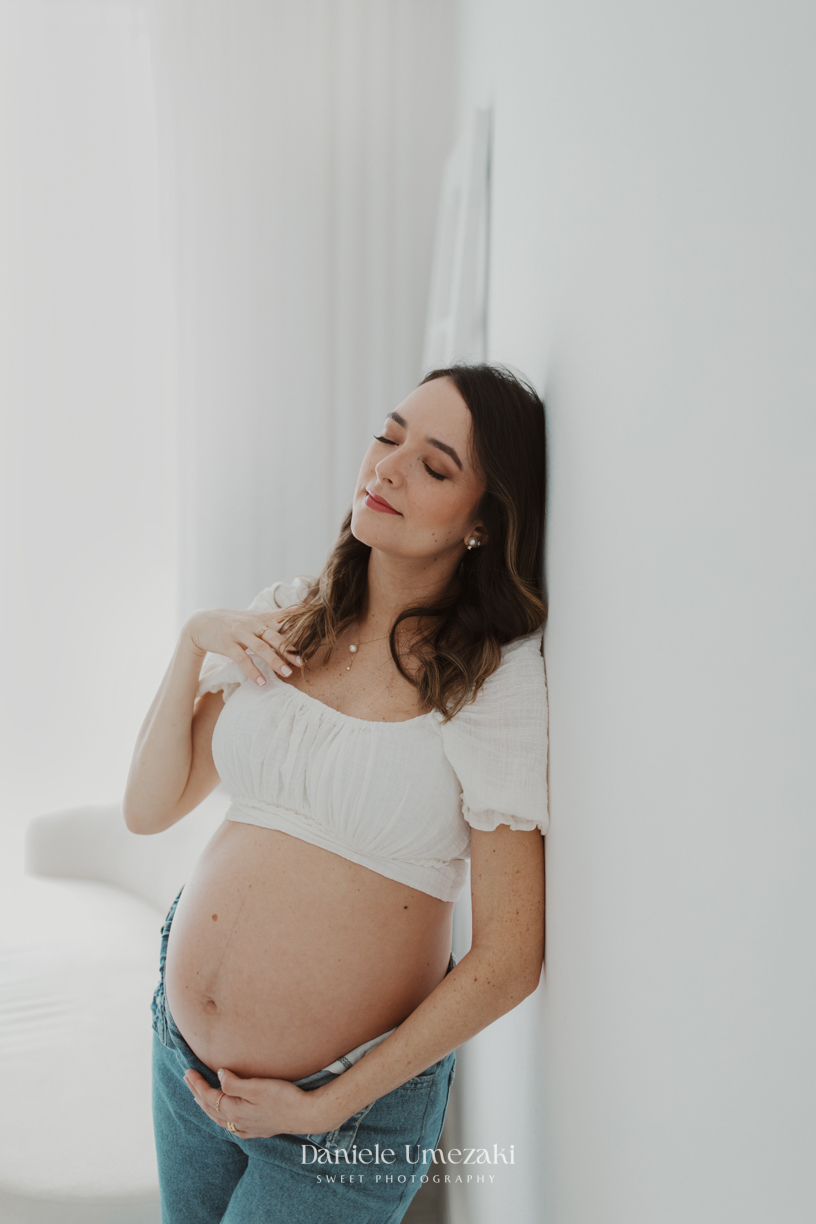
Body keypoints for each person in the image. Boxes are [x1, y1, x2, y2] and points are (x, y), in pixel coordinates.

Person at [124, 362, 549, 1224]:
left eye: (433, 465)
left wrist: (327, 1106)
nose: (385, 468)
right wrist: (190, 646)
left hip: (341, 1115)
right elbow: (150, 807)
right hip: (186, 1067)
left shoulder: (490, 682)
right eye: (387, 436)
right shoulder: (287, 615)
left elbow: (509, 959)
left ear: (482, 521)